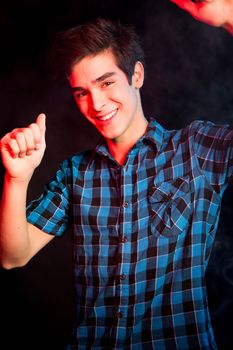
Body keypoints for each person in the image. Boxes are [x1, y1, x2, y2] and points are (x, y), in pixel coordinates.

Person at [0, 5, 232, 349]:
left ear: (136, 75)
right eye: (81, 93)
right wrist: (16, 180)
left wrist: (229, 14)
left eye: (106, 82)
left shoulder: (196, 149)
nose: (95, 103)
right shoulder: (75, 173)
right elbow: (12, 256)